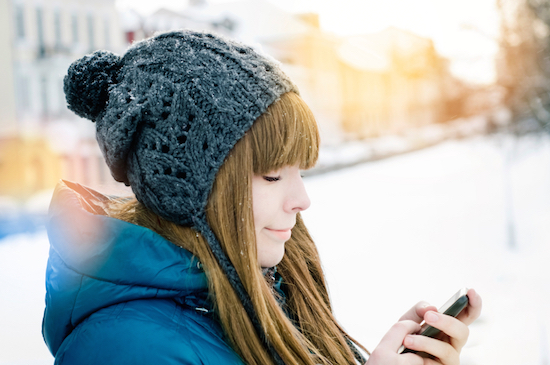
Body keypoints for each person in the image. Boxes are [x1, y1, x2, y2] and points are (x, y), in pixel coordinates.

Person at [43, 30, 482, 365]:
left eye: (300, 171)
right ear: (187, 193)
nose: (302, 200)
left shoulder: (258, 285)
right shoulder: (122, 348)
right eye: (273, 175)